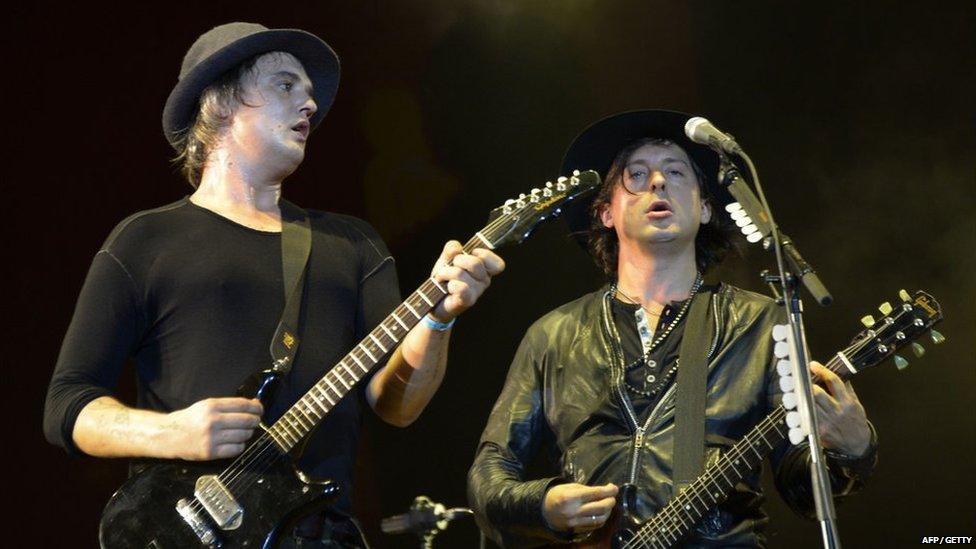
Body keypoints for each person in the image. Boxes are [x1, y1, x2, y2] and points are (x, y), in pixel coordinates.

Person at [43, 22, 504, 546]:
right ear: (219, 103)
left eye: (310, 97)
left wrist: (439, 318)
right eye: (286, 86)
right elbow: (68, 406)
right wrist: (174, 432)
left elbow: (397, 405)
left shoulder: (352, 244)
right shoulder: (145, 240)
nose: (309, 106)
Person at [467, 110, 876, 547]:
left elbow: (805, 493)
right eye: (636, 174)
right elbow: (488, 475)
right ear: (606, 212)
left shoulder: (761, 321)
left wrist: (855, 448)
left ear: (704, 209)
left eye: (676, 172)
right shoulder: (554, 334)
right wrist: (542, 504)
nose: (658, 182)